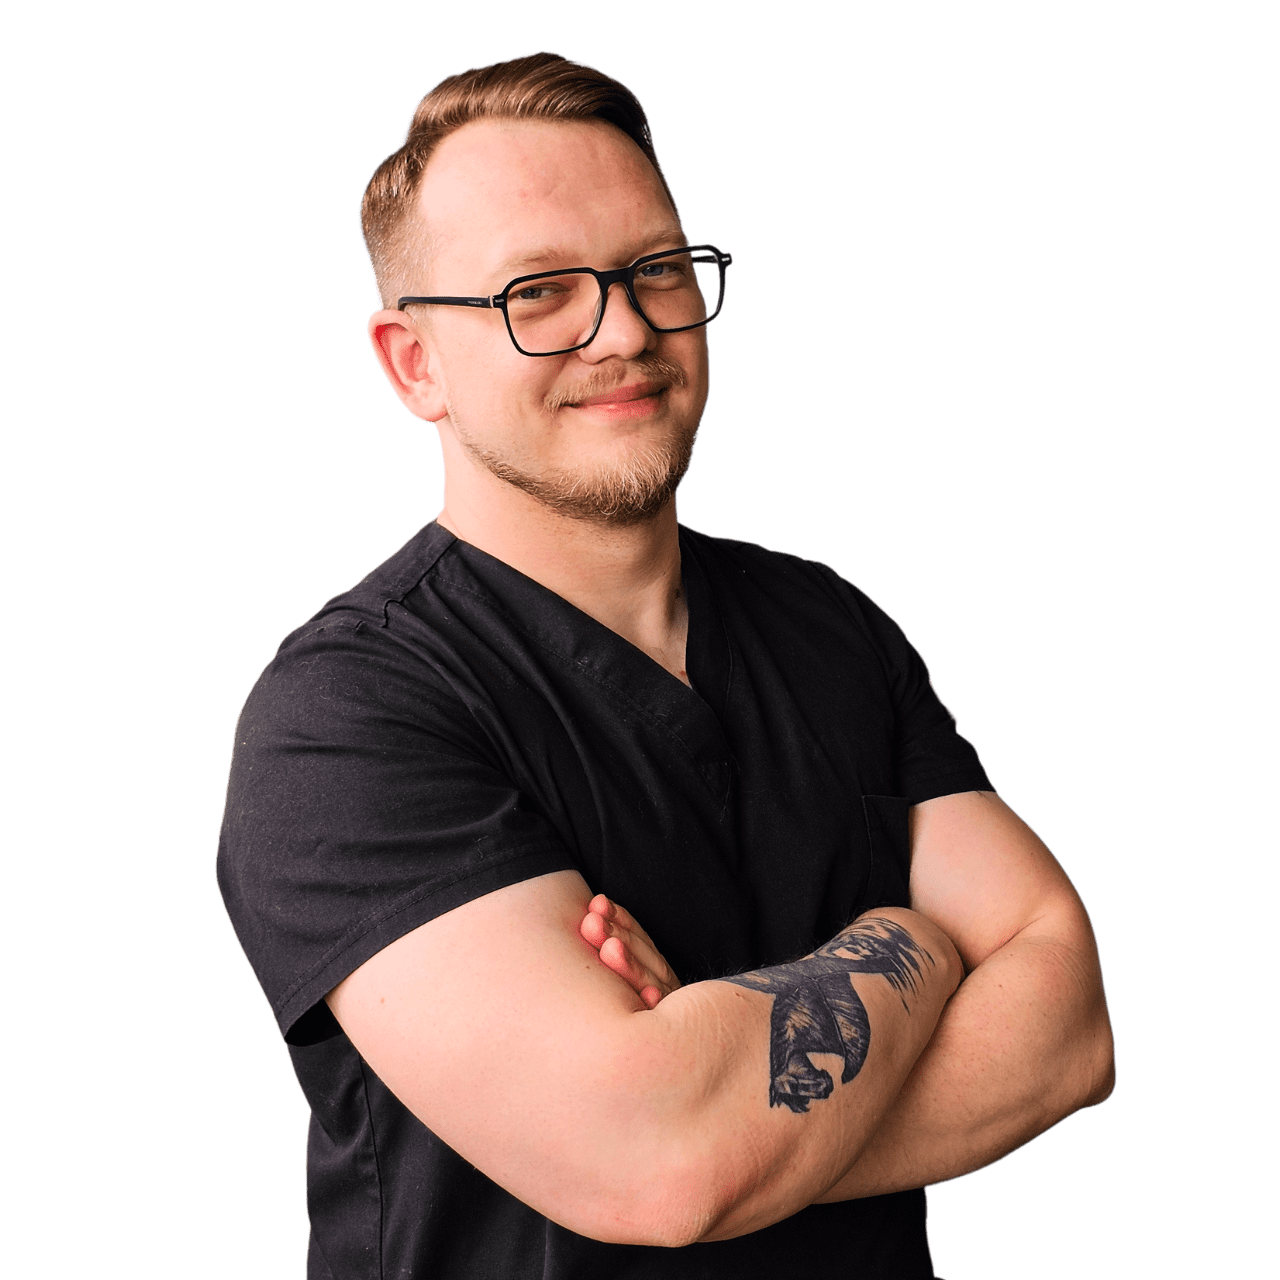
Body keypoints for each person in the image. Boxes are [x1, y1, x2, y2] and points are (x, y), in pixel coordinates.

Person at [217, 51, 1115, 1280]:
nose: (627, 330)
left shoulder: (827, 623)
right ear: (412, 362)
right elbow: (654, 1159)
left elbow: (1070, 1027)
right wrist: (916, 938)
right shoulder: (347, 715)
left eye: (654, 269)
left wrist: (727, 1108)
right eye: (539, 292)